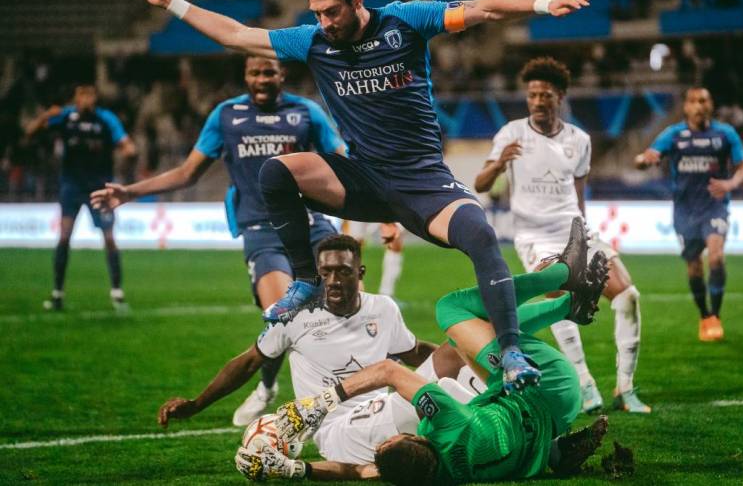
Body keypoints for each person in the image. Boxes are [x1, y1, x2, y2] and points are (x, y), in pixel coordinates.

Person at [127, 0, 592, 392]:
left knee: (481, 235)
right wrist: (170, 1)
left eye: (331, 12)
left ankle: (510, 353)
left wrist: (544, 4)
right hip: (362, 178)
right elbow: (235, 34)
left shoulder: (404, 21)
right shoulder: (311, 41)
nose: (323, 23)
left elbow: (484, 9)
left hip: (423, 182)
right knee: (277, 172)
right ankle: (306, 280)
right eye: (316, 14)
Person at [235, 217, 610, 484]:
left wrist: (299, 471)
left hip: (547, 424)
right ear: (414, 436)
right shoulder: (442, 419)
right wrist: (313, 407)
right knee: (455, 312)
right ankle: (561, 283)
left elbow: (354, 471)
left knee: (464, 348)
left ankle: (556, 451)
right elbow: (388, 371)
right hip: (548, 389)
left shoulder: (436, 469)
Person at [91, 56, 344, 426]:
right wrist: (130, 191)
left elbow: (343, 161)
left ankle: (347, 400)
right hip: (262, 230)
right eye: (254, 72)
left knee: (347, 309)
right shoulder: (226, 116)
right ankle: (269, 389)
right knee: (283, 319)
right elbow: (187, 172)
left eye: (269, 72)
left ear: (282, 75)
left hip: (312, 226)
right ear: (246, 76)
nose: (262, 78)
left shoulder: (306, 113)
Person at [156, 234, 438, 463]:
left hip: (381, 414)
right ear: (317, 274)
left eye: (343, 271)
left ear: (360, 272)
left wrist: (467, 356)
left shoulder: (383, 308)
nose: (334, 281)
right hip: (337, 430)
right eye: (326, 272)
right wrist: (196, 405)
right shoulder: (295, 315)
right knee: (439, 403)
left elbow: (413, 352)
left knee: (450, 369)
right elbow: (249, 362)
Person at [474, 57, 650, 414]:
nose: (538, 101)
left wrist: (587, 237)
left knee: (628, 296)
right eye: (533, 95)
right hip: (534, 236)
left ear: (561, 97)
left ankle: (626, 388)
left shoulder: (579, 140)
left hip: (576, 232)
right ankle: (585, 383)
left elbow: (579, 193)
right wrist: (497, 163)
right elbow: (480, 184)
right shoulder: (511, 133)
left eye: (546, 95)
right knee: (558, 297)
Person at [635, 87, 743, 341]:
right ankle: (703, 314)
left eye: (704, 100)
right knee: (694, 267)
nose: (699, 105)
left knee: (716, 256)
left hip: (715, 205)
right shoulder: (674, 135)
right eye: (694, 101)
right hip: (685, 211)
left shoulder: (725, 133)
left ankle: (715, 318)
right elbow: (645, 158)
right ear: (686, 107)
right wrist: (645, 159)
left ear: (710, 105)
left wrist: (731, 184)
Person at [24, 85, 137, 312]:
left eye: (90, 94)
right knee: (64, 236)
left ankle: (117, 292)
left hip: (99, 189)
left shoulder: (106, 119)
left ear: (95, 97)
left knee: (109, 239)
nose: (86, 99)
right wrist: (47, 114)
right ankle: (57, 293)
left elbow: (128, 147)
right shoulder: (65, 116)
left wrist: (127, 153)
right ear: (75, 97)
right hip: (72, 186)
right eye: (81, 94)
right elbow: (30, 131)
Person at [343, 221, 405, 298]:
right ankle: (352, 292)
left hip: (388, 209)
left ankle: (387, 294)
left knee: (394, 240)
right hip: (358, 209)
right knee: (353, 245)